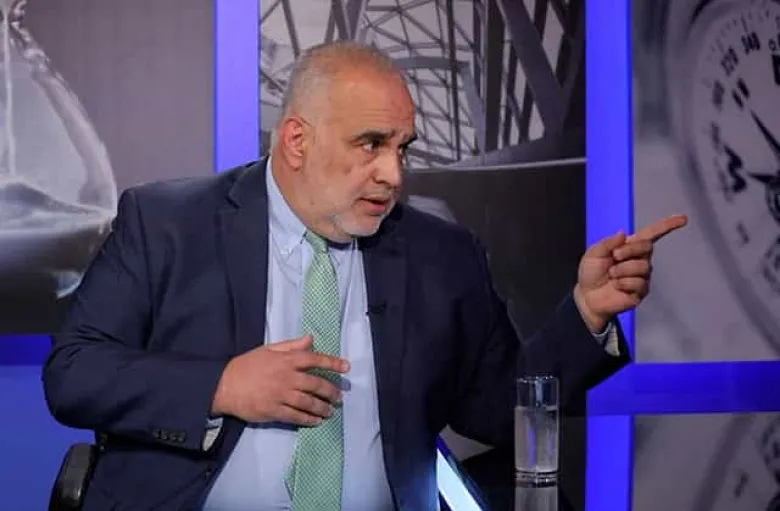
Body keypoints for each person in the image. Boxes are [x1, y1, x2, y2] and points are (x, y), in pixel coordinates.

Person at [42, 41, 686, 511]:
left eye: (402, 148)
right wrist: (222, 386)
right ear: (297, 141)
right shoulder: (169, 224)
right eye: (370, 144)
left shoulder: (441, 254)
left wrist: (586, 313)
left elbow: (499, 411)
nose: (393, 174)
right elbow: (73, 372)